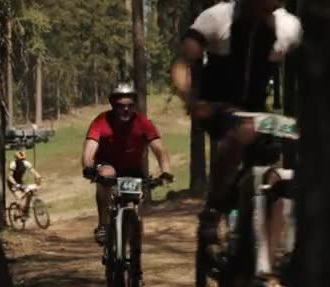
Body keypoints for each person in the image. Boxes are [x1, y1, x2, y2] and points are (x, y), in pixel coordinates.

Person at [171, 0, 302, 270]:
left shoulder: (288, 27)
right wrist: (191, 101)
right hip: (216, 104)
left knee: (278, 175)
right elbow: (183, 63)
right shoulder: (218, 18)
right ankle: (214, 209)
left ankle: (266, 261)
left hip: (256, 110)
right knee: (236, 137)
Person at [81, 82, 174, 245]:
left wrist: (165, 171)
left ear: (135, 106)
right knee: (105, 175)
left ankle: (134, 244)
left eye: (130, 106)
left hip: (132, 169)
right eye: (120, 106)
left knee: (138, 202)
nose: (126, 110)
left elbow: (159, 149)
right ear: (112, 105)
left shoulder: (143, 122)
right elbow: (89, 148)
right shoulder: (102, 120)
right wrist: (88, 166)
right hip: (107, 165)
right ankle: (103, 224)